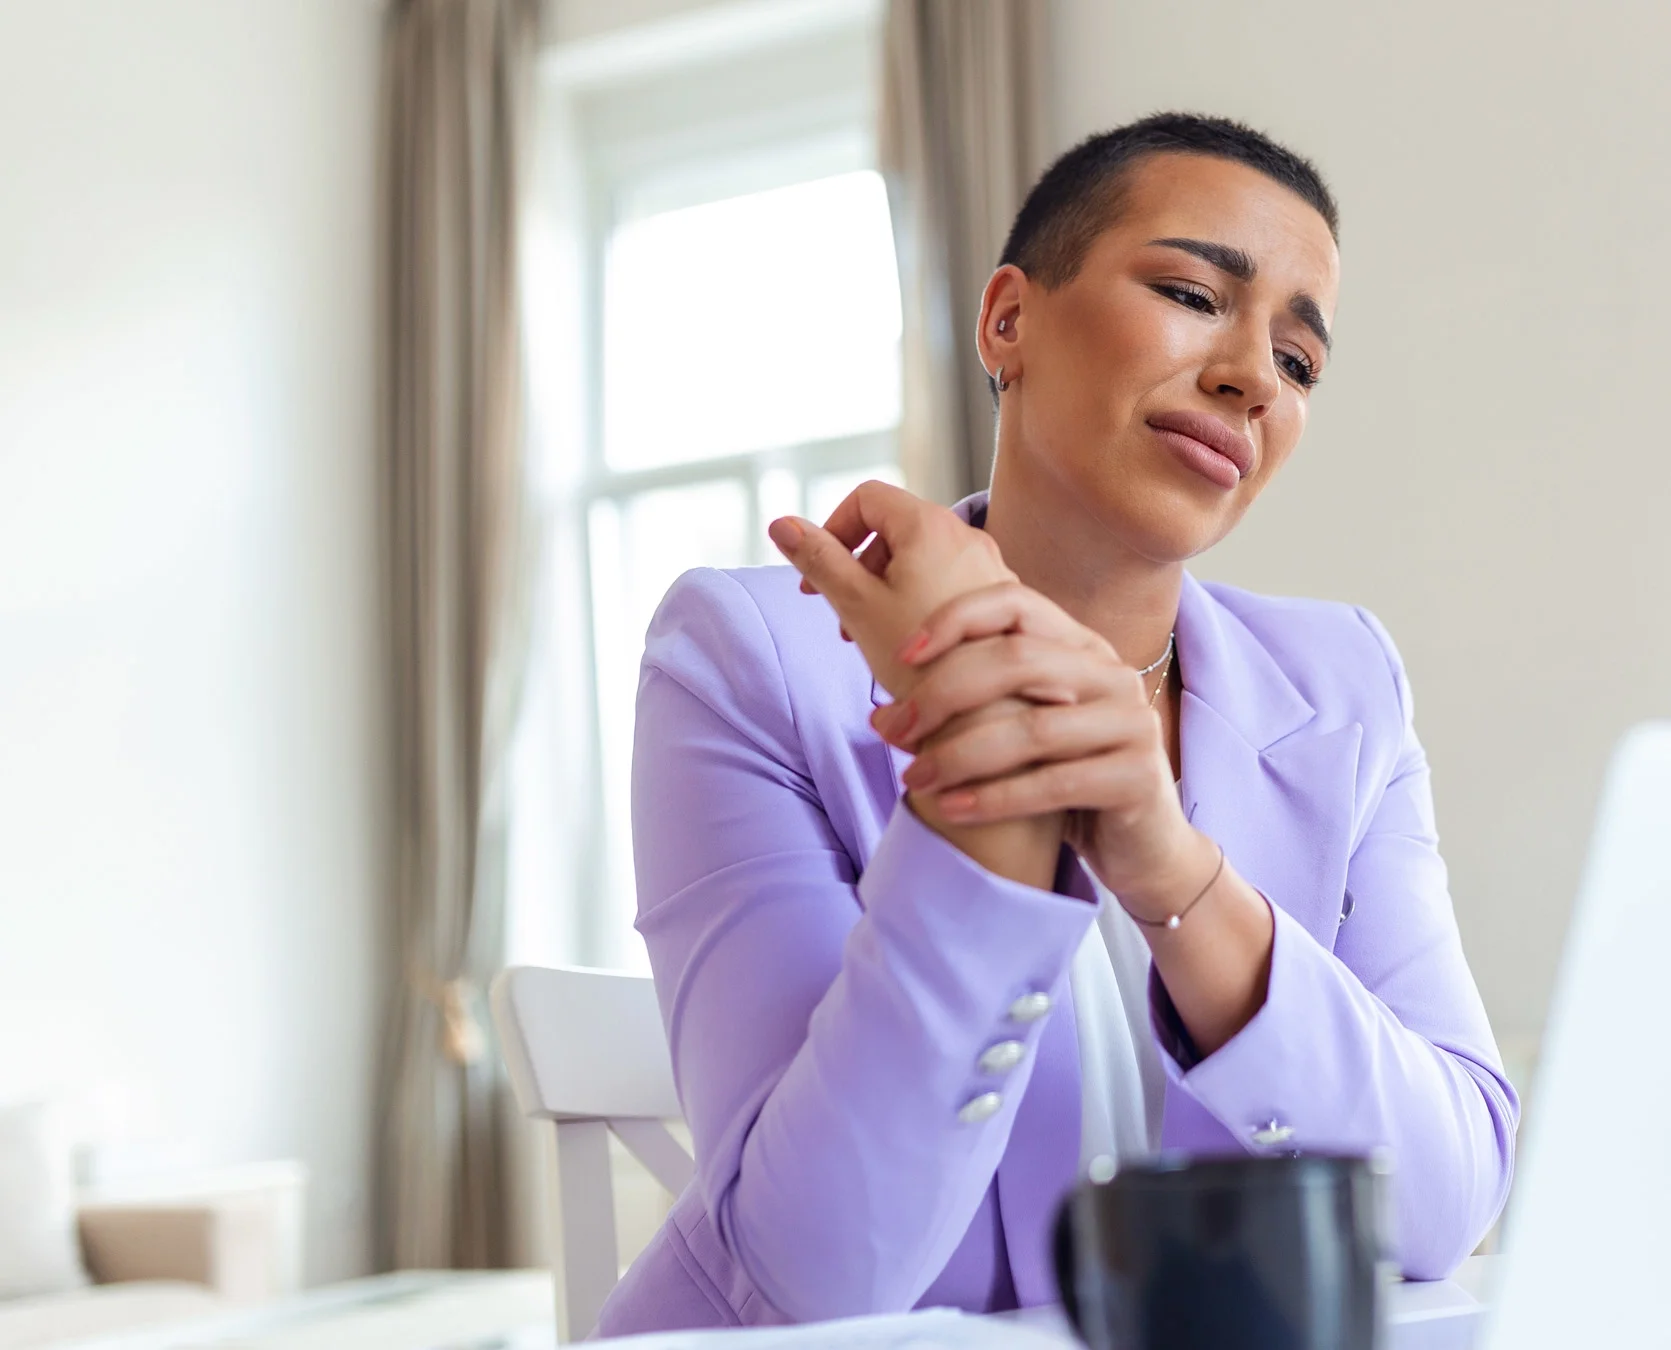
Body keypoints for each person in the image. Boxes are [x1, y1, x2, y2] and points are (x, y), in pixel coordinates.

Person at [597, 113, 1517, 1333]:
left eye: (1298, 363)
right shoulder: (748, 655)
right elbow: (816, 1278)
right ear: (1007, 321)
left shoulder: (1345, 685)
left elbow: (1447, 1201)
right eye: (1192, 294)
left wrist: (1171, 868)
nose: (1253, 376)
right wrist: (992, 763)